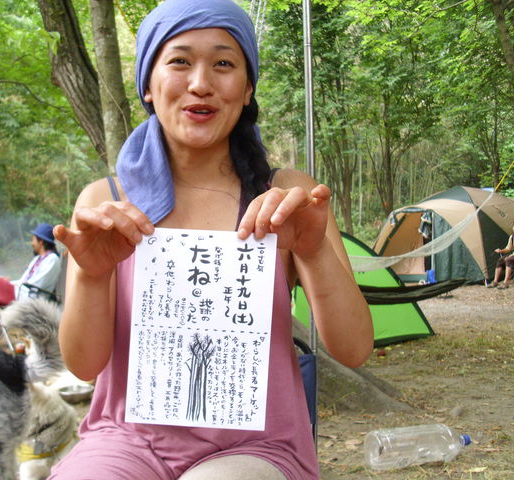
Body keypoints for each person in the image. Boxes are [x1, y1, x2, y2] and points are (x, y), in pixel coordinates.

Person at [50, 1, 373, 479]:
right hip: (126, 441)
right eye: (180, 61)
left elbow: (353, 349)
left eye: (223, 63)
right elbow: (83, 365)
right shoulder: (107, 203)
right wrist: (92, 276)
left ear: (247, 88)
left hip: (257, 446)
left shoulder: (288, 197)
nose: (201, 83)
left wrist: (313, 249)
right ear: (147, 82)